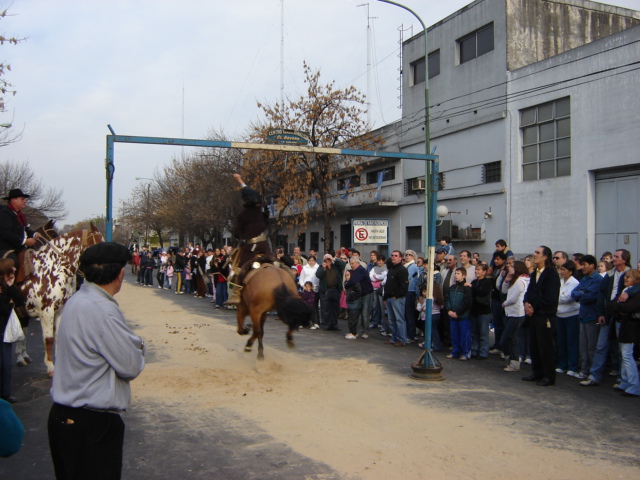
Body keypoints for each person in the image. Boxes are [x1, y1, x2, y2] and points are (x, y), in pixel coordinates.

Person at [48, 242, 145, 479]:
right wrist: (139, 344)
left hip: (67, 415)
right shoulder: (103, 310)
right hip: (91, 423)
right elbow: (130, 365)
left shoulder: (77, 300)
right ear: (121, 273)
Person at [580, 249, 630, 387]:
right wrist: (601, 313)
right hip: (608, 314)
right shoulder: (609, 275)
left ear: (624, 259)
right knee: (600, 346)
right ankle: (594, 376)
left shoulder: (630, 274)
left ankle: (622, 379)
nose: (613, 259)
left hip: (623, 316)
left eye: (616, 256)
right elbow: (601, 295)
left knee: (622, 349)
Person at [226, 173, 271, 305]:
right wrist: (240, 181)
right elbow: (251, 192)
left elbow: (237, 232)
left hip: (251, 247)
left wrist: (240, 236)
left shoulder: (243, 215)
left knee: (240, 268)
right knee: (273, 261)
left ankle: (237, 294)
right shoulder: (263, 210)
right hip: (264, 244)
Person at [522, 246, 561, 386]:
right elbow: (529, 292)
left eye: (538, 253)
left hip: (545, 316)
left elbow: (550, 297)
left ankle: (549, 375)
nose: (534, 255)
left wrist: (534, 306)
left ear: (545, 257)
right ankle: (537, 372)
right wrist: (526, 303)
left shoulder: (551, 274)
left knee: (546, 346)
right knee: (535, 345)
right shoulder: (534, 274)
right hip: (534, 316)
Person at [608, 269, 640, 397]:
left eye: (628, 277)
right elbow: (611, 305)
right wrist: (619, 308)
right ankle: (625, 381)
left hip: (631, 327)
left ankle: (634, 386)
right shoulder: (624, 291)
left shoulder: (636, 293)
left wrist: (619, 307)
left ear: (637, 280)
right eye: (625, 277)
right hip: (622, 324)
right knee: (623, 354)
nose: (625, 278)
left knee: (627, 355)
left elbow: (628, 307)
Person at [570, 255, 603, 380]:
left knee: (591, 347)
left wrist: (581, 294)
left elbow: (590, 296)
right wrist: (582, 293)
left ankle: (592, 372)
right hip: (583, 315)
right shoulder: (584, 278)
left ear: (592, 265)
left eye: (585, 265)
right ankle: (584, 370)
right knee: (583, 346)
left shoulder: (597, 280)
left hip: (592, 316)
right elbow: (574, 293)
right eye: (581, 264)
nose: (582, 267)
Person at [0, 188, 42, 283]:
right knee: (13, 263)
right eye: (22, 199)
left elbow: (26, 229)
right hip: (5, 249)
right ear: (13, 200)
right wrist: (25, 241)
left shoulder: (19, 215)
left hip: (18, 248)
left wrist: (35, 234)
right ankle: (8, 289)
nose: (25, 201)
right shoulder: (4, 214)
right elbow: (5, 234)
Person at [0, 258, 26, 404]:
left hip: (4, 330)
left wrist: (11, 286)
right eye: (12, 268)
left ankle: (5, 393)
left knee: (6, 363)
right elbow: (3, 307)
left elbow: (19, 301)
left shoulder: (7, 287)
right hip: (2, 328)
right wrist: (10, 305)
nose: (15, 270)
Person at [501, 261, 530, 372]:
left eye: (512, 266)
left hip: (516, 314)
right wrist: (506, 279)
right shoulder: (514, 280)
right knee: (513, 338)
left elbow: (513, 298)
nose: (510, 268)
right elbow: (504, 290)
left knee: (506, 338)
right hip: (510, 313)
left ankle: (511, 358)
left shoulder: (520, 282)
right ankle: (514, 362)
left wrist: (504, 304)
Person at [556, 260, 580, 377]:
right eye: (560, 269)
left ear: (570, 272)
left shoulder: (574, 283)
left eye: (564, 270)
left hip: (572, 316)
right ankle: (562, 364)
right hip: (559, 315)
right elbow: (556, 295)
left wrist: (558, 297)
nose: (561, 272)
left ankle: (572, 366)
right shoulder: (559, 281)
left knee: (571, 342)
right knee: (561, 341)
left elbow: (567, 298)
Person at [446, 267, 472, 360]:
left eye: (458, 274)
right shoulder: (452, 287)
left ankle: (465, 352)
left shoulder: (466, 288)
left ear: (464, 276)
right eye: (455, 273)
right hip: (452, 315)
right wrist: (449, 310)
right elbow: (447, 298)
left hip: (463, 316)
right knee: (454, 335)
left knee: (464, 335)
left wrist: (458, 312)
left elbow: (466, 302)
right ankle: (455, 351)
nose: (456, 275)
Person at [383, 250, 409, 347]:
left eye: (396, 256)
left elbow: (404, 286)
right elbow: (387, 284)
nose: (393, 257)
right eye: (392, 255)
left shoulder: (402, 270)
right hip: (389, 298)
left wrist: (396, 295)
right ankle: (394, 338)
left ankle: (401, 339)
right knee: (391, 320)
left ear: (400, 258)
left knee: (399, 319)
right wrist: (385, 297)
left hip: (397, 299)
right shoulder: (391, 269)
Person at [344, 256, 373, 338]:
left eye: (352, 264)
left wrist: (346, 286)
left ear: (358, 263)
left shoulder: (360, 270)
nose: (351, 265)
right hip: (360, 294)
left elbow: (353, 281)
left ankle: (365, 331)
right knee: (357, 313)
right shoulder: (356, 271)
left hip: (367, 294)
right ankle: (355, 331)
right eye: (350, 264)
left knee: (365, 313)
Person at [316, 253, 346, 331]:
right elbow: (318, 275)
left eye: (329, 259)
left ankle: (334, 324)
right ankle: (327, 324)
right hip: (326, 291)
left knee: (335, 308)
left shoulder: (336, 266)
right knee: (326, 309)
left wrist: (334, 259)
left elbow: (343, 264)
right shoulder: (321, 267)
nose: (328, 261)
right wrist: (323, 268)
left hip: (335, 290)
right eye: (326, 259)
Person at [470, 263, 492, 360]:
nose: (477, 272)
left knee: (483, 332)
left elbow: (483, 292)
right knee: (474, 332)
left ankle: (483, 352)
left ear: (484, 271)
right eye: (476, 269)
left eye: (479, 270)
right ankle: (474, 350)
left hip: (483, 310)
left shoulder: (487, 282)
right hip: (474, 309)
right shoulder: (474, 282)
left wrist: (472, 287)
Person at [344, 270, 362, 340]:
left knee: (353, 319)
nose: (347, 277)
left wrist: (352, 297)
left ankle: (353, 333)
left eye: (348, 275)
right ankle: (352, 332)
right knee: (350, 318)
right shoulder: (348, 283)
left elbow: (358, 292)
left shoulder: (355, 283)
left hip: (355, 304)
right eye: (346, 276)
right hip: (351, 303)